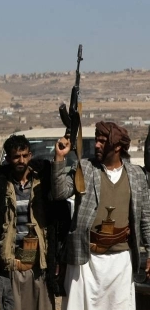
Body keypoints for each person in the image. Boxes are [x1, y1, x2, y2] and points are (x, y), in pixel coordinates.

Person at [53, 121, 150, 310]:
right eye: (97, 140)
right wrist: (59, 158)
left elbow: (146, 218)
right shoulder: (85, 168)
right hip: (85, 260)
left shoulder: (137, 175)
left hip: (120, 260)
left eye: (103, 141)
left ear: (118, 146)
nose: (97, 145)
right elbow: (60, 193)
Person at [0, 134, 66, 310]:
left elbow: (58, 220)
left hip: (39, 259)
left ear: (30, 155)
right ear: (8, 158)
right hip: (11, 258)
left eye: (25, 155)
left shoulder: (43, 182)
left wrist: (57, 256)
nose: (21, 160)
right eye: (16, 156)